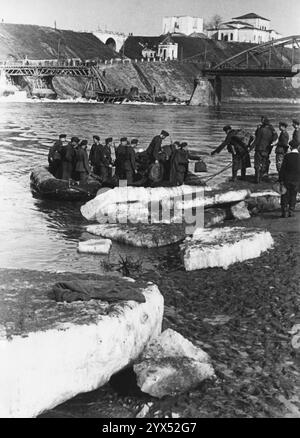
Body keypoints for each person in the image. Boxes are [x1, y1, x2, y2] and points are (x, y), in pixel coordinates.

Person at [253, 116, 278, 183]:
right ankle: (262, 176)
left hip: (259, 149)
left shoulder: (261, 129)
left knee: (257, 164)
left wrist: (250, 147)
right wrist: (271, 143)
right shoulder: (271, 128)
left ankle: (257, 179)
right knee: (265, 162)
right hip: (267, 149)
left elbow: (257, 139)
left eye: (262, 120)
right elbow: (275, 137)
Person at [279, 142, 300, 218]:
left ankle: (284, 211)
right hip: (296, 180)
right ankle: (291, 211)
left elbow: (282, 169)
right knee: (293, 195)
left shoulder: (287, 156)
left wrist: (280, 179)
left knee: (284, 195)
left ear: (290, 148)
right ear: (298, 147)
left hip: (287, 179)